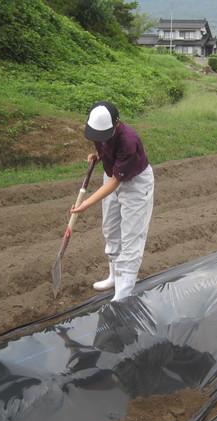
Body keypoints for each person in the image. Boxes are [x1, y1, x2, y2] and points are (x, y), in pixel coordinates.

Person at [71, 101, 154, 301]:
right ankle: (114, 277)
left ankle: (123, 293)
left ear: (116, 124)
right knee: (110, 228)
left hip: (135, 183)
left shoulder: (129, 140)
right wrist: (98, 156)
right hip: (112, 176)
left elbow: (117, 181)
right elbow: (108, 150)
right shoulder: (99, 129)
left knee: (131, 236)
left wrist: (86, 204)